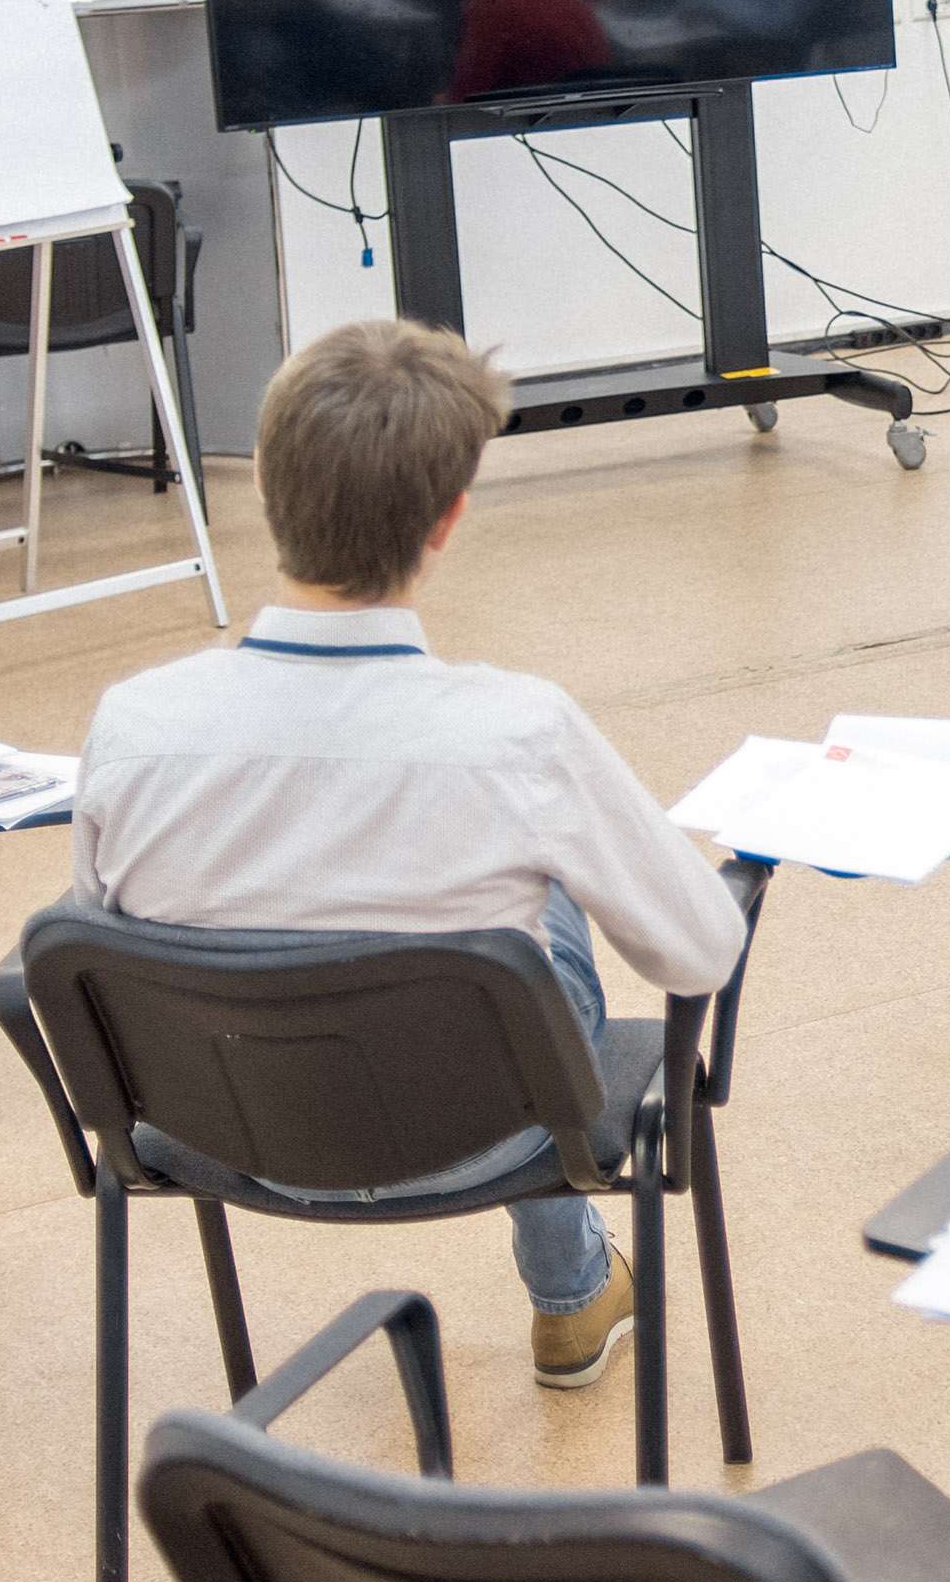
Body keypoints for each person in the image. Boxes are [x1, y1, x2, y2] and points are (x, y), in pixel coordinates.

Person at [66, 318, 749, 1393]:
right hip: (492, 1132)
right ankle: (571, 1292)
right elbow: (699, 954)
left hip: (223, 1128)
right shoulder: (521, 733)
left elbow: (102, 950)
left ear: (265, 488)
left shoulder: (131, 725)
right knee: (536, 895)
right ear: (448, 519)